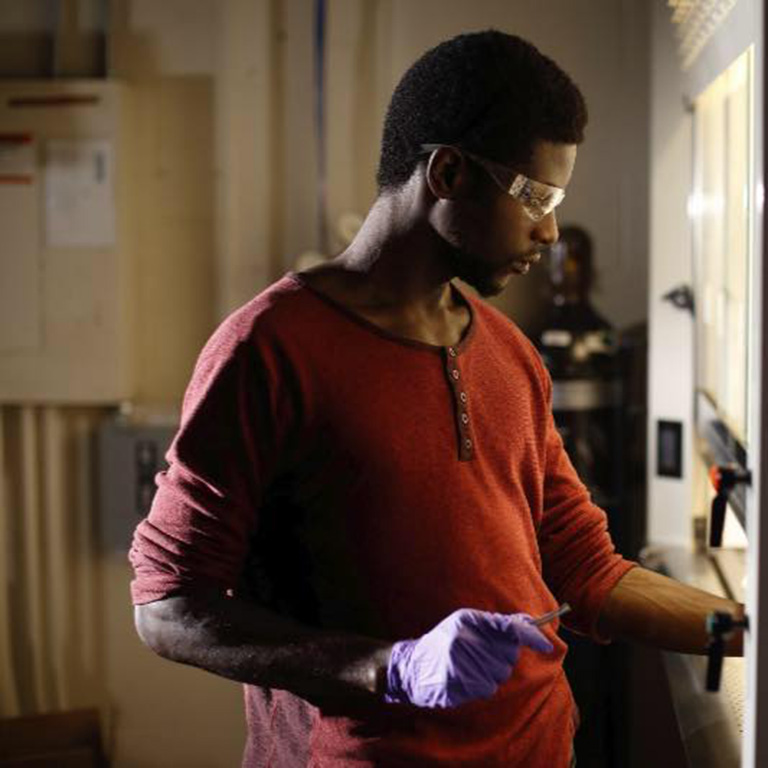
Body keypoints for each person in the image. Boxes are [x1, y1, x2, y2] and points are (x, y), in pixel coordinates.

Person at [129, 30, 744, 768]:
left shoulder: (509, 354)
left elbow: (588, 571)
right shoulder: (270, 350)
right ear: (448, 172)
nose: (551, 231)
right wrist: (390, 668)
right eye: (536, 196)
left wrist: (742, 628)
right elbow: (168, 608)